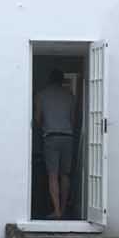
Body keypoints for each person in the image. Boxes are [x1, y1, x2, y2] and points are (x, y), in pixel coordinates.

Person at [35, 70, 80, 219]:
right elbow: (73, 121)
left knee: (52, 175)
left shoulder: (41, 95)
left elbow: (37, 119)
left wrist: (45, 126)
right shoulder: (70, 96)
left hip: (51, 137)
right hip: (68, 137)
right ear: (62, 81)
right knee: (65, 175)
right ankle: (63, 209)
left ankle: (57, 211)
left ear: (49, 80)